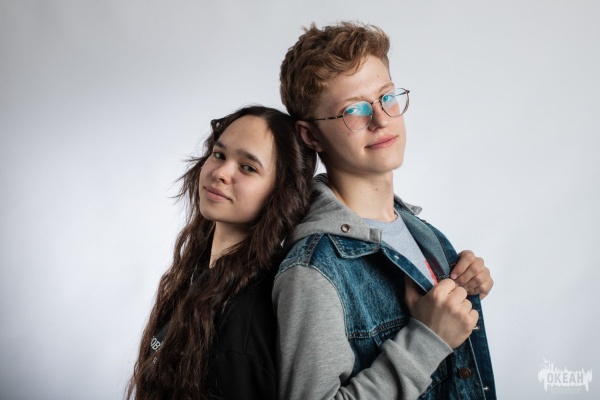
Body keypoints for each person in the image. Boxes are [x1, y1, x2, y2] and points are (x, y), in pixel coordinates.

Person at [273, 22, 496, 399]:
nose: (381, 120)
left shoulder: (423, 233)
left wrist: (462, 294)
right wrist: (427, 340)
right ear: (311, 136)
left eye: (386, 97)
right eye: (354, 110)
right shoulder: (312, 273)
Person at [127, 105, 316, 400]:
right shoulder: (202, 276)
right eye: (219, 155)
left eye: (248, 167)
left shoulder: (245, 317)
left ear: (281, 192)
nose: (221, 173)